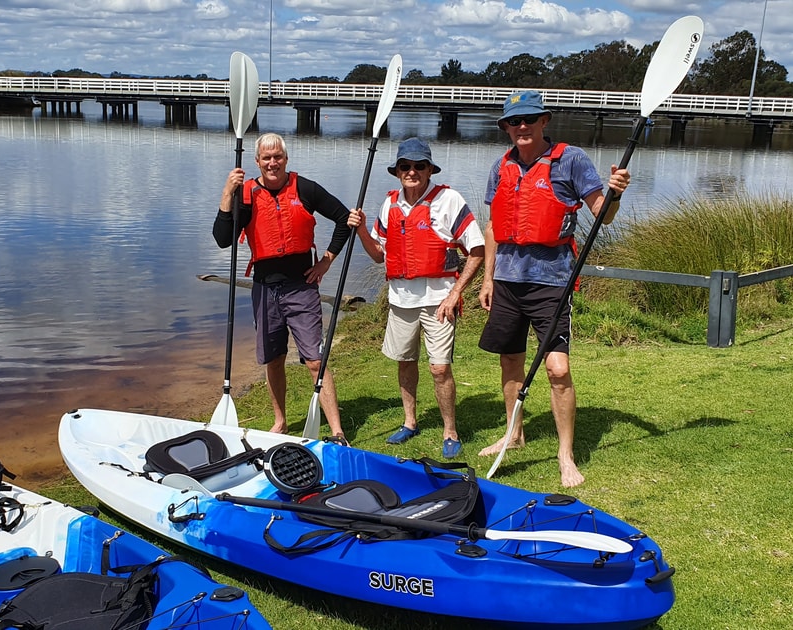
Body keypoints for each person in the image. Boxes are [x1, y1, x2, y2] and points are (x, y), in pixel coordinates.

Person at [476, 90, 630, 487]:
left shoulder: (571, 159)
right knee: (509, 361)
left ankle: (566, 453)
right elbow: (493, 227)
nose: (521, 127)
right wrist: (488, 277)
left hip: (553, 282)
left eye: (529, 119)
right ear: (506, 127)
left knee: (557, 368)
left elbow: (603, 216)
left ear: (544, 121)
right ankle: (514, 434)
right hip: (508, 280)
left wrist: (614, 193)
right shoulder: (501, 166)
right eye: (514, 121)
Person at [347, 138, 484, 459]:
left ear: (429, 169)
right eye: (405, 167)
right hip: (401, 301)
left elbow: (477, 250)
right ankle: (410, 422)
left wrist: (455, 293)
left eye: (419, 166)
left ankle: (450, 430)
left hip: (439, 303)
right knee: (405, 362)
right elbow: (379, 255)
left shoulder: (449, 200)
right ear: (397, 171)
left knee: (439, 369)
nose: (412, 172)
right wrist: (362, 231)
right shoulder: (389, 204)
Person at [214, 132, 352, 444]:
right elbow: (222, 239)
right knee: (273, 358)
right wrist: (227, 192)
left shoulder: (304, 188)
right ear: (257, 162)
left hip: (301, 287)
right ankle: (280, 421)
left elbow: (344, 218)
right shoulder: (246, 194)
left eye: (278, 156)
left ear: (286, 159)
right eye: (266, 157)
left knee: (315, 360)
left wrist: (327, 260)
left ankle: (337, 430)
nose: (272, 162)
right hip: (264, 289)